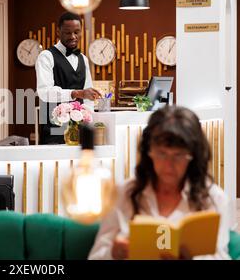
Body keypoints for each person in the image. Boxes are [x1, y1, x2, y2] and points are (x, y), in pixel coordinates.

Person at [88, 106, 231, 260]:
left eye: (178, 155)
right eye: (161, 153)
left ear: (193, 156)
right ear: (149, 152)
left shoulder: (213, 198)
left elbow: (220, 255)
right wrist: (114, 253)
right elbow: (96, 256)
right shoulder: (123, 193)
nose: (169, 164)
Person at [35, 12, 101, 144]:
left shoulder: (83, 59)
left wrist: (90, 121)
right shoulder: (46, 56)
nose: (73, 37)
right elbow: (45, 92)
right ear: (58, 32)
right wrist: (77, 93)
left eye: (77, 32)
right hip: (54, 130)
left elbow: (87, 99)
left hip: (80, 131)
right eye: (67, 32)